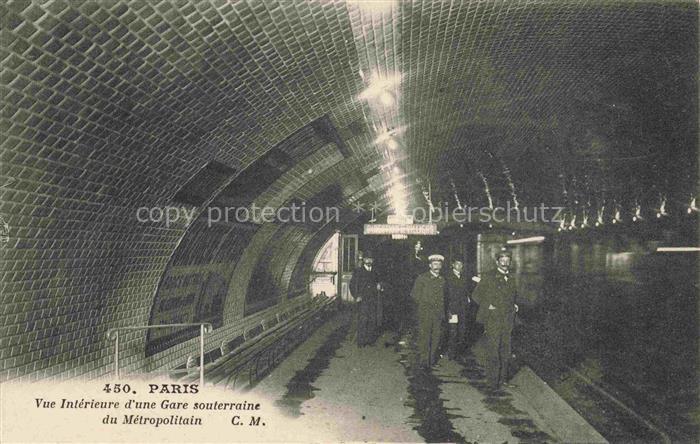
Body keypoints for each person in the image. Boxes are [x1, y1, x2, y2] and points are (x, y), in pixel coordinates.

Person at [471, 247, 519, 389]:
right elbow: (476, 296)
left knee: (505, 350)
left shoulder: (511, 278)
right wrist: (488, 306)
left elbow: (511, 296)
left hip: (507, 320)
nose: (504, 263)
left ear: (509, 262)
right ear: (497, 262)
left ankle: (502, 379)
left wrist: (514, 305)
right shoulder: (488, 277)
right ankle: (492, 382)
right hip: (493, 319)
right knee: (493, 350)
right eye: (502, 260)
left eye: (507, 260)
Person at [410, 254, 446, 367]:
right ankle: (424, 360)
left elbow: (444, 298)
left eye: (439, 264)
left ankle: (432, 360)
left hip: (438, 313)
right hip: (425, 313)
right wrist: (424, 305)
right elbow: (415, 295)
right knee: (425, 336)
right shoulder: (422, 278)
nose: (437, 266)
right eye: (434, 264)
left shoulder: (442, 280)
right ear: (430, 265)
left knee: (436, 337)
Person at [349, 250, 381, 346]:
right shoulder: (358, 272)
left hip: (373, 299)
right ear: (363, 260)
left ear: (373, 260)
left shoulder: (375, 271)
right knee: (363, 320)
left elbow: (379, 282)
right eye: (367, 259)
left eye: (370, 259)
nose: (369, 261)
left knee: (372, 320)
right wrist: (356, 296)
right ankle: (361, 341)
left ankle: (369, 340)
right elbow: (352, 285)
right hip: (363, 299)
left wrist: (380, 285)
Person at [443, 258, 473, 361]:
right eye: (457, 264)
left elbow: (467, 291)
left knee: (462, 331)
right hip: (453, 309)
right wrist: (448, 310)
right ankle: (451, 354)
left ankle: (459, 353)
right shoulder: (448, 278)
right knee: (453, 332)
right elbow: (446, 295)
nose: (460, 266)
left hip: (463, 309)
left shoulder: (464, 277)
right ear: (453, 265)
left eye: (461, 264)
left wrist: (468, 299)